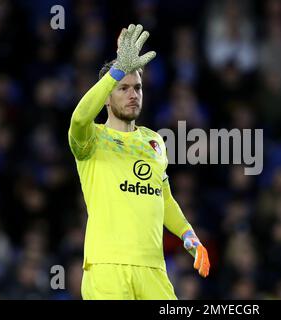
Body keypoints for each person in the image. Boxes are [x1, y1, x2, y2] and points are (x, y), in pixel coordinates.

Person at [68, 24, 210, 300]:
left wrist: (187, 234)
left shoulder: (154, 141)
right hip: (107, 267)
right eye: (123, 88)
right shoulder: (91, 138)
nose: (133, 95)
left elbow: (164, 198)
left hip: (153, 269)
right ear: (107, 97)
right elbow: (79, 118)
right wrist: (116, 70)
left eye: (138, 88)